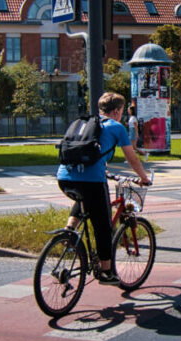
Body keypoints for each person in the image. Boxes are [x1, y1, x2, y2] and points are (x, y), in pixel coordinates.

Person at [57, 92, 150, 285]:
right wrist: (143, 178)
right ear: (116, 111)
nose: (122, 115)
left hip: (64, 178)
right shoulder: (117, 127)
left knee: (84, 200)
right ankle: (107, 272)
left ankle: (69, 232)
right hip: (91, 181)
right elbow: (131, 158)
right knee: (103, 226)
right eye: (121, 111)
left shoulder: (85, 123)